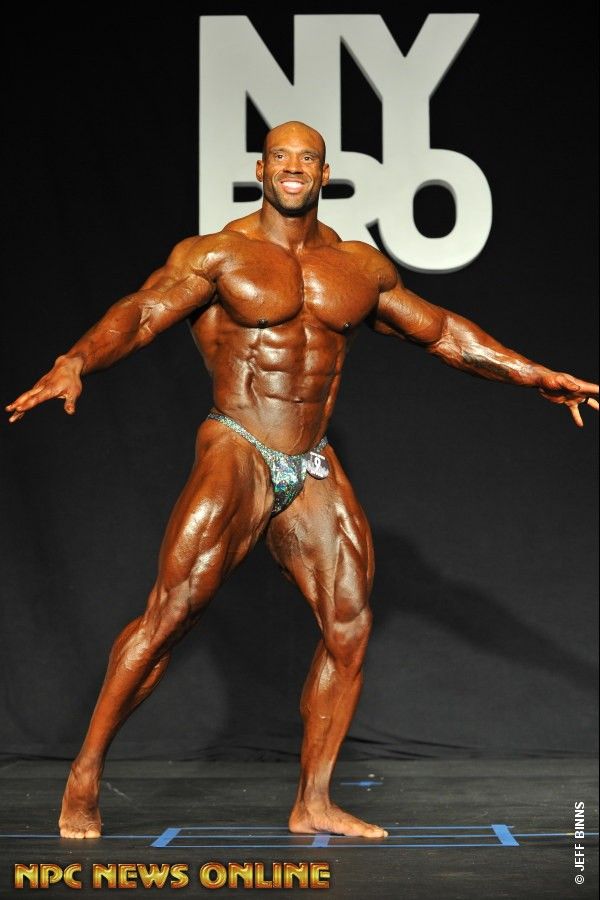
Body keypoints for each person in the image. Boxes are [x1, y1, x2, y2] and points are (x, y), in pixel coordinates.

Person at [6, 121, 598, 841]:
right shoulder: (216, 254)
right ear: (260, 170)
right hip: (239, 442)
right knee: (170, 613)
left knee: (350, 625)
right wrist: (77, 359)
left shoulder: (358, 267)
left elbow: (442, 332)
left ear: (325, 174)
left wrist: (533, 374)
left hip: (311, 458)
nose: (293, 167)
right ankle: (85, 772)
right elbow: (141, 314)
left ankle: (313, 800)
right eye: (280, 157)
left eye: (307, 158)